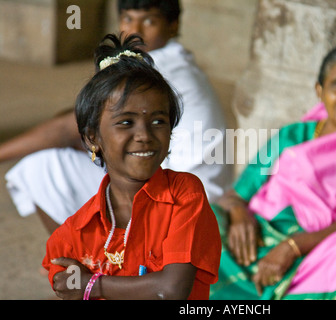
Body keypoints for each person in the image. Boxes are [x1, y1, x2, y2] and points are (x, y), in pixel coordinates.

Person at [209, 44, 336, 300]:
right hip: (257, 243)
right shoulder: (291, 136)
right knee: (199, 218)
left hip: (319, 255)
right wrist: (240, 215)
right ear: (320, 91)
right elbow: (236, 194)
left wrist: (294, 246)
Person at [2, 0, 231, 234]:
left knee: (42, 166)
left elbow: (67, 127)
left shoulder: (153, 69)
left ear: (173, 26)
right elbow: (82, 118)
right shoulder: (175, 61)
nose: (136, 31)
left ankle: (77, 258)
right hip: (199, 190)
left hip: (182, 201)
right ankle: (80, 253)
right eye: (128, 19)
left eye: (149, 21)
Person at [42, 34, 221, 300]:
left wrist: (92, 285)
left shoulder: (184, 194)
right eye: (126, 122)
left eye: (158, 121)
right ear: (93, 138)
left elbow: (171, 290)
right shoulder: (71, 237)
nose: (144, 135)